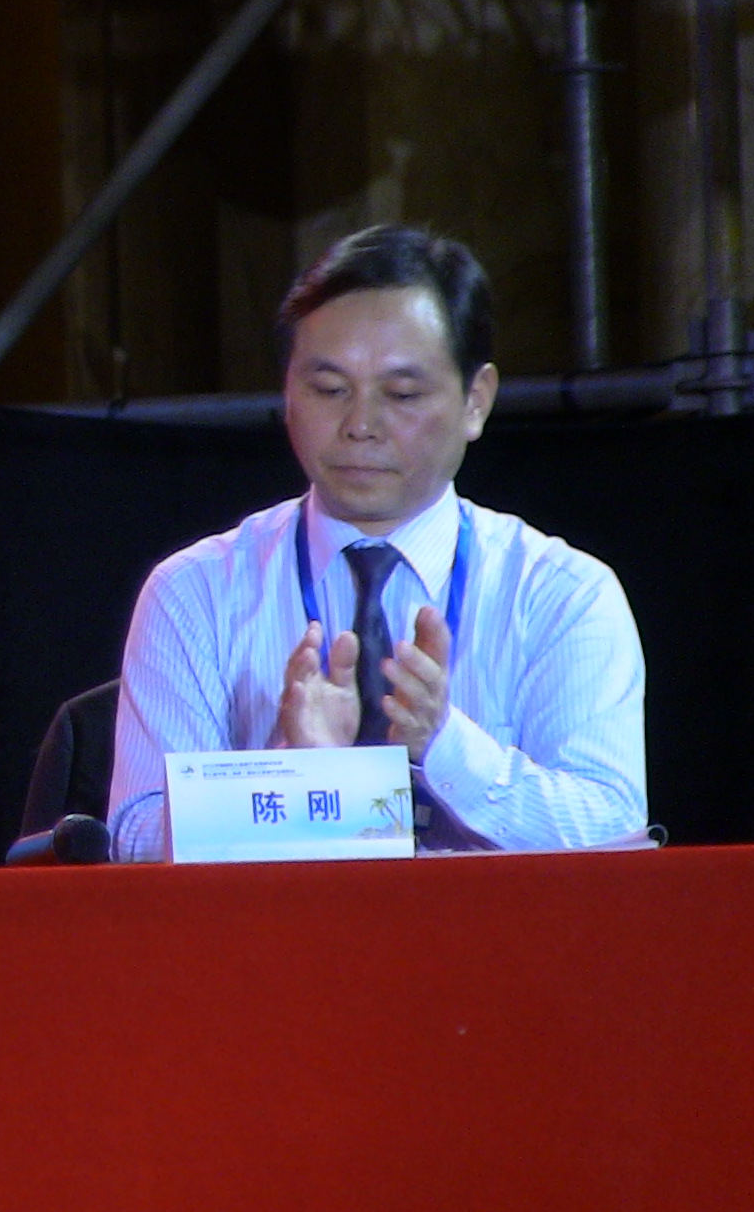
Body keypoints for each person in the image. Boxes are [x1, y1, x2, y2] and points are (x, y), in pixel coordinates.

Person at [107, 224, 646, 860]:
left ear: (476, 401)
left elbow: (614, 831)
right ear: (287, 393)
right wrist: (296, 776)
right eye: (329, 390)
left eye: (402, 393)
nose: (360, 425)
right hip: (277, 928)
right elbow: (133, 836)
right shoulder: (194, 593)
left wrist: (446, 747)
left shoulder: (564, 595)